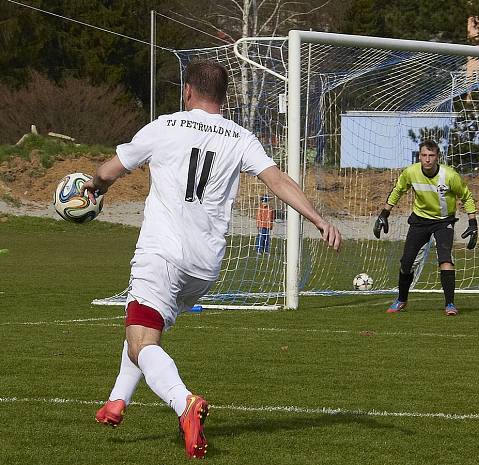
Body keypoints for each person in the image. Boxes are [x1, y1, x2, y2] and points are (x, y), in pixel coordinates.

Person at [83, 61, 341, 458]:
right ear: (225, 98)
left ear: (188, 91)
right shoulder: (240, 136)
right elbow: (277, 179)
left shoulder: (164, 126)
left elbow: (110, 171)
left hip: (162, 251)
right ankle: (118, 399)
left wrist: (92, 187)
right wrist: (319, 219)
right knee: (144, 326)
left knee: (142, 339)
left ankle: (183, 401)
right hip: (204, 266)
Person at [373, 140, 478, 316]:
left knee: (445, 259)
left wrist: (473, 222)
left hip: (443, 222)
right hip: (419, 221)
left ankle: (450, 304)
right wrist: (384, 213)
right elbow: (398, 190)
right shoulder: (411, 172)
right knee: (406, 263)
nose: (427, 159)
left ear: (438, 157)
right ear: (419, 156)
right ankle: (401, 300)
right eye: (424, 155)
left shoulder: (450, 176)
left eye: (431, 155)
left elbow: (466, 197)